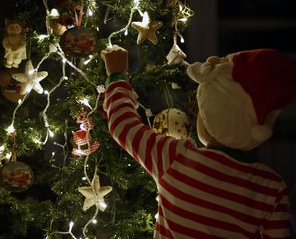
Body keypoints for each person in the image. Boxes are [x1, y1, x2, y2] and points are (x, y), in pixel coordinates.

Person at [101, 45, 296, 238]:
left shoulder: (175, 158)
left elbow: (123, 126)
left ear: (210, 116)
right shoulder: (271, 188)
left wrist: (117, 77)